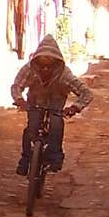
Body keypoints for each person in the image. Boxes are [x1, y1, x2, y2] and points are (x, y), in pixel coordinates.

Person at [11, 34, 93, 175]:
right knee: (31, 128)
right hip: (34, 103)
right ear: (36, 63)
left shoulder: (64, 74)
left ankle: (55, 158)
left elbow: (86, 93)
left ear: (56, 64)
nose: (45, 70)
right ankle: (25, 160)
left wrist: (74, 108)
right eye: (42, 66)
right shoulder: (29, 69)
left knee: (56, 124)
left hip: (56, 104)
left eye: (49, 66)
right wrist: (19, 100)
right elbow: (16, 85)